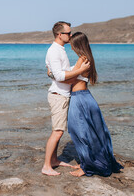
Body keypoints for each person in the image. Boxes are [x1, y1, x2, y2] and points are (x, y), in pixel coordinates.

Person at [57, 32, 123, 177]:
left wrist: (52, 73)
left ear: (77, 45)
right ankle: (86, 163)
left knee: (80, 133)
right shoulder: (88, 58)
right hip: (85, 97)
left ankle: (87, 167)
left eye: (73, 45)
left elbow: (69, 80)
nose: (71, 48)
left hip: (79, 99)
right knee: (89, 132)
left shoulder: (82, 59)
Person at [42, 22, 91, 176]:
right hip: (59, 96)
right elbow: (60, 76)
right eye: (68, 33)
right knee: (57, 132)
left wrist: (55, 74)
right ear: (59, 35)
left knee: (59, 131)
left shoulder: (60, 50)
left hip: (63, 95)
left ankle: (54, 160)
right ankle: (46, 166)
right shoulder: (54, 51)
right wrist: (81, 70)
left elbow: (61, 72)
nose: (71, 36)